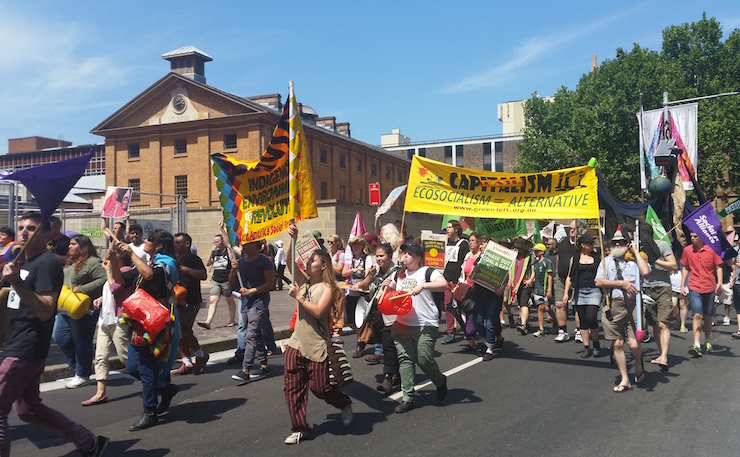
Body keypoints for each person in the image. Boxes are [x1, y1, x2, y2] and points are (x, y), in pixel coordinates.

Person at [0, 211, 109, 456]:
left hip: (26, 349)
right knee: (28, 409)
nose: (23, 232)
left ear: (47, 234)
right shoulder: (23, 264)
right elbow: (16, 303)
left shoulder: (47, 264)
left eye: (31, 228)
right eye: (21, 228)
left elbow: (46, 310)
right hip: (15, 344)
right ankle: (88, 442)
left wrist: (16, 282)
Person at [284, 224, 353, 444]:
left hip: (316, 347)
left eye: (312, 260)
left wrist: (299, 298)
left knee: (320, 387)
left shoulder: (328, 288)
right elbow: (288, 263)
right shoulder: (303, 283)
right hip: (296, 344)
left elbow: (318, 311)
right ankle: (299, 427)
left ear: (323, 265)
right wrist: (291, 239)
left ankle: (343, 403)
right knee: (292, 388)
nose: (307, 263)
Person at [109, 229, 180, 431]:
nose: (144, 242)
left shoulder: (165, 264)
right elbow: (121, 280)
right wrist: (114, 260)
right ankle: (164, 389)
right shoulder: (147, 264)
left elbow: (149, 275)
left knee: (147, 366)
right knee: (132, 367)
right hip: (139, 321)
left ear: (158, 246)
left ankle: (150, 411)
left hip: (156, 322)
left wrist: (131, 253)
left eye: (149, 240)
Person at [384, 242, 450, 413]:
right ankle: (408, 398)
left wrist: (423, 286)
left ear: (419, 258)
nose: (405, 256)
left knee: (423, 358)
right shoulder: (398, 274)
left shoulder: (427, 272)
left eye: (409, 253)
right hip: (402, 324)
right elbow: (390, 293)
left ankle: (440, 381)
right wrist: (386, 286)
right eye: (404, 253)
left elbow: (444, 285)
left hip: (425, 323)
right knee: (405, 360)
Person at [595, 231, 650, 392]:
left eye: (621, 242)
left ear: (628, 243)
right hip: (614, 305)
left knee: (633, 344)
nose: (617, 244)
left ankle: (638, 362)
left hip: (635, 306)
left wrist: (636, 252)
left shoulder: (636, 260)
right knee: (617, 344)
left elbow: (646, 272)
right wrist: (621, 284)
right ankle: (625, 378)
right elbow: (599, 281)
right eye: (614, 242)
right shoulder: (607, 261)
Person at [53, 235, 107, 388]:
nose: (69, 247)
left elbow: (103, 279)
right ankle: (78, 367)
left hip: (83, 308)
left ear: (83, 246)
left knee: (81, 341)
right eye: (69, 244)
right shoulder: (71, 263)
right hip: (66, 307)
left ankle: (82, 375)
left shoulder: (93, 262)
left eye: (73, 244)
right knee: (60, 337)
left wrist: (82, 289)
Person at [83, 249, 133, 406]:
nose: (108, 260)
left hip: (119, 320)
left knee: (125, 356)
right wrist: (101, 298)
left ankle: (152, 378)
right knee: (100, 357)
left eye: (113, 257)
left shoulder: (126, 271)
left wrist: (109, 272)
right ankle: (100, 392)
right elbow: (110, 292)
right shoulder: (112, 273)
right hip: (105, 320)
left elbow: (116, 288)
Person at [229, 240, 275, 382]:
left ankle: (246, 369)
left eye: (247, 243)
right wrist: (233, 270)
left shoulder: (265, 261)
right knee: (256, 335)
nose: (243, 245)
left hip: (259, 303)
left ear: (255, 245)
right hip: (245, 303)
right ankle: (263, 364)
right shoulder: (241, 261)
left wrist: (252, 291)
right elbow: (231, 283)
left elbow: (270, 283)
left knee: (251, 335)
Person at [171, 233, 209, 376]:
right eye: (174, 243)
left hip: (190, 300)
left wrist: (185, 269)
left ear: (187, 244)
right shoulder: (174, 259)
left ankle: (200, 355)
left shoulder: (193, 259)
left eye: (178, 243)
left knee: (183, 330)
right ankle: (187, 361)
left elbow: (203, 275)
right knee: (179, 332)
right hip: (177, 299)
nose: (175, 245)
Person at [641, 226, 678, 369]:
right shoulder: (638, 249)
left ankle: (664, 356)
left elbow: (673, 265)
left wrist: (655, 260)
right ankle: (661, 352)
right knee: (655, 325)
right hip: (647, 289)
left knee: (663, 323)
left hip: (663, 288)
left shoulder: (662, 245)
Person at [681, 231, 723, 357]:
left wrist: (719, 284)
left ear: (702, 237)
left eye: (695, 236)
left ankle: (707, 340)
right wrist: (682, 285)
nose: (692, 238)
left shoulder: (711, 249)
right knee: (697, 315)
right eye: (691, 236)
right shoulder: (688, 250)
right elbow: (685, 267)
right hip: (694, 286)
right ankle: (697, 344)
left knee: (708, 315)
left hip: (709, 286)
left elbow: (719, 267)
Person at [563, 234, 602, 358]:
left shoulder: (597, 257)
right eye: (589, 243)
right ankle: (586, 347)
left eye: (592, 243)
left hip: (593, 290)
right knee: (583, 321)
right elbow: (570, 276)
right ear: (583, 245)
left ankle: (596, 343)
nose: (592, 245)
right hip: (579, 291)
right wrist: (566, 293)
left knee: (591, 318)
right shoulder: (574, 258)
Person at [469, 234, 505, 360]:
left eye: (483, 244)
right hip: (479, 294)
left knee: (490, 321)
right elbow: (471, 276)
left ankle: (489, 349)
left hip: (493, 295)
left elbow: (504, 275)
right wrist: (475, 271)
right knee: (478, 321)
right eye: (480, 244)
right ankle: (487, 339)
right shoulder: (479, 258)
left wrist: (502, 288)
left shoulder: (499, 259)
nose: (480, 246)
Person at [343, 235, 374, 357]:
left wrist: (359, 285)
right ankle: (362, 336)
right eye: (353, 245)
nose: (355, 247)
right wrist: (353, 271)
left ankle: (360, 343)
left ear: (362, 246)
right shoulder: (351, 260)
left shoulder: (367, 259)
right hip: (351, 291)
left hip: (362, 292)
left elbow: (367, 276)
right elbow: (344, 272)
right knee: (348, 319)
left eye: (357, 244)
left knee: (360, 319)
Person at [201, 229, 237, 329]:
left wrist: (229, 248)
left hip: (226, 279)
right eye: (214, 242)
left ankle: (232, 320)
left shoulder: (227, 251)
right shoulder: (215, 252)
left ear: (223, 241)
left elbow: (231, 259)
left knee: (229, 301)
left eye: (218, 241)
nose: (216, 243)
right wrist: (211, 252)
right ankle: (208, 321)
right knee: (213, 300)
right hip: (215, 280)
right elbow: (208, 263)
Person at [440, 220, 470, 344]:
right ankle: (451, 331)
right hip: (446, 280)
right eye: (447, 228)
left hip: (459, 281)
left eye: (449, 227)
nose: (447, 230)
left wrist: (463, 279)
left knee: (463, 307)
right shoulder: (444, 243)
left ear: (456, 229)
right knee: (448, 307)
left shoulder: (463, 244)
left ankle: (468, 330)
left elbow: (466, 262)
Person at [554, 221, 578, 342]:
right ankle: (562, 331)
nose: (572, 230)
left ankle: (580, 330)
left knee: (577, 306)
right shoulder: (562, 243)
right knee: (559, 304)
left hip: (576, 279)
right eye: (571, 228)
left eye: (575, 228)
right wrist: (557, 272)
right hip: (561, 278)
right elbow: (559, 257)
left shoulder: (581, 245)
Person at [531, 243, 557, 338]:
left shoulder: (547, 262)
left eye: (536, 250)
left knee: (547, 308)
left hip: (545, 289)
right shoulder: (535, 263)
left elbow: (550, 276)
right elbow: (534, 274)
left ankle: (555, 321)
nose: (535, 252)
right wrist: (530, 280)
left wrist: (549, 289)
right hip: (537, 289)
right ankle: (541, 329)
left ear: (542, 252)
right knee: (540, 308)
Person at [510, 238, 535, 335]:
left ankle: (524, 325)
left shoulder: (530, 257)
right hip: (517, 284)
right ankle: (525, 322)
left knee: (524, 304)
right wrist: (510, 281)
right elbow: (511, 269)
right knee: (520, 304)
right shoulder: (515, 257)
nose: (518, 249)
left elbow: (533, 271)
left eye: (519, 248)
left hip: (525, 283)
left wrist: (530, 279)